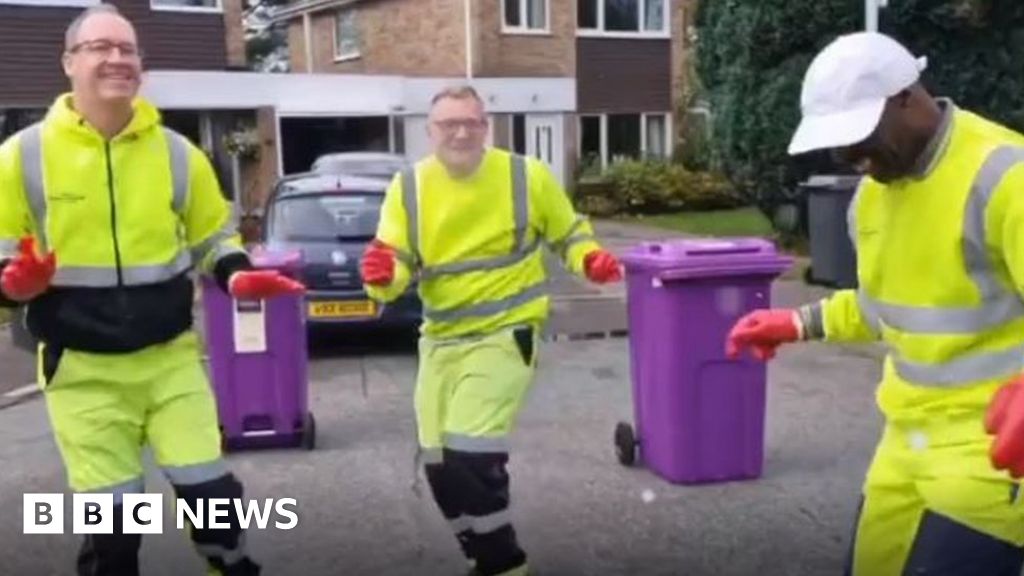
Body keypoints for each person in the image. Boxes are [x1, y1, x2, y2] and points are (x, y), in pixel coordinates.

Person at [0, 5, 304, 575]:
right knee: (114, 533)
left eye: (128, 49)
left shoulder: (178, 154)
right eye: (99, 47)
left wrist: (236, 273)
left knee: (214, 501)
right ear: (69, 62)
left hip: (171, 364)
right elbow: (3, 267)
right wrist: (14, 287)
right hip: (83, 374)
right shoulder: (21, 158)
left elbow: (214, 238)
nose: (117, 59)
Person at [726, 31, 1024, 575]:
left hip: (994, 455)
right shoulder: (869, 200)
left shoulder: (1005, 176)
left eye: (859, 133)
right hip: (903, 443)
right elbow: (881, 306)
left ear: (907, 97)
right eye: (836, 141)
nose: (848, 154)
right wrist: (795, 322)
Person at [360, 85, 623, 576]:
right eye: (448, 124)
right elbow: (392, 264)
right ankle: (483, 557)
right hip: (440, 341)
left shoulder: (526, 177)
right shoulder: (410, 187)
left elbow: (569, 234)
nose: (461, 132)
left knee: (469, 455)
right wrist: (380, 277)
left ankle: (507, 565)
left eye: (471, 122)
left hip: (506, 334)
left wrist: (591, 260)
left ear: (487, 127)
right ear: (429, 131)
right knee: (439, 465)